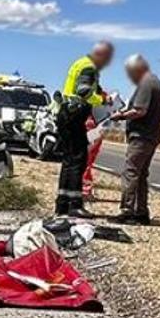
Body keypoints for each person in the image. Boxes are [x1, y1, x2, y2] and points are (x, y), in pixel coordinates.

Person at [54, 41, 114, 217]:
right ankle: (74, 206)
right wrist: (102, 101)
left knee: (69, 161)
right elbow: (84, 90)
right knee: (78, 160)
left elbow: (87, 85)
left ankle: (62, 205)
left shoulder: (81, 63)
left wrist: (100, 91)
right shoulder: (90, 67)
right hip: (74, 116)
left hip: (66, 114)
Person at [110, 54, 160, 225]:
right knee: (141, 175)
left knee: (131, 172)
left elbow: (140, 110)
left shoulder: (146, 84)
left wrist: (120, 116)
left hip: (141, 136)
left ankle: (127, 211)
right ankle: (141, 212)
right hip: (151, 136)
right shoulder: (157, 83)